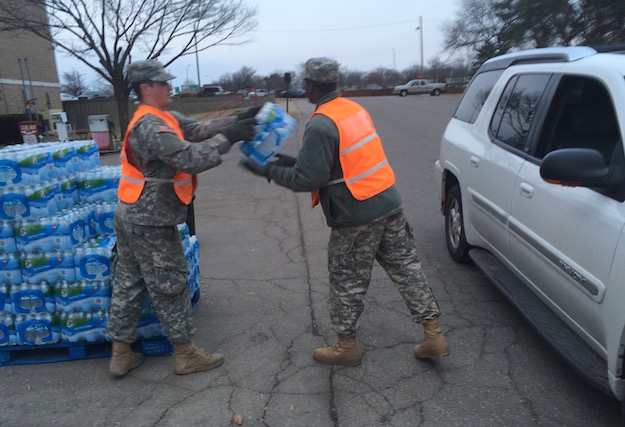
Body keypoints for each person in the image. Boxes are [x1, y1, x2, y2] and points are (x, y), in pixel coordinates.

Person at [241, 57, 450, 366]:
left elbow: (308, 179)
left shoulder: (321, 123)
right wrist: (286, 161)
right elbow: (335, 161)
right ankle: (434, 335)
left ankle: (346, 346)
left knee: (346, 279)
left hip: (357, 213)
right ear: (335, 83)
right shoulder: (354, 110)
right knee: (406, 268)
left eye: (306, 83)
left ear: (311, 85)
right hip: (388, 201)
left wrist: (267, 171)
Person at [106, 59, 258, 377]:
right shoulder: (150, 125)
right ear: (146, 88)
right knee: (170, 284)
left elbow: (198, 130)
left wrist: (238, 119)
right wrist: (230, 137)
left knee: (129, 280)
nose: (168, 87)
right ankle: (186, 354)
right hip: (150, 219)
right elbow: (189, 158)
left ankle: (121, 353)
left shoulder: (163, 116)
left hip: (132, 213)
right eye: (162, 83)